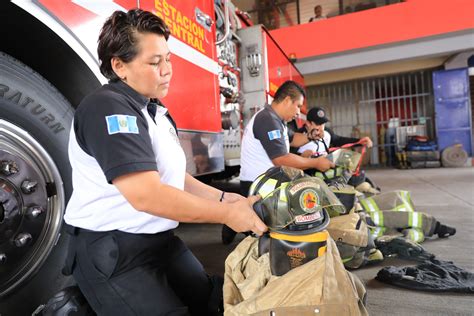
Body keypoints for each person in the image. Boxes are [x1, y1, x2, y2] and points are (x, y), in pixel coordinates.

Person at [63, 9, 266, 316]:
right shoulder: (107, 108)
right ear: (119, 65)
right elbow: (147, 194)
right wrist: (225, 214)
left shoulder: (155, 111)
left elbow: (176, 179)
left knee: (215, 302)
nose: (167, 70)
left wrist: (227, 197)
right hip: (114, 252)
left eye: (168, 59)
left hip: (159, 243)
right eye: (155, 62)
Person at [222, 81, 333, 244]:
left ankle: (230, 225)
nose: (298, 113)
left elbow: (293, 139)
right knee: (260, 236)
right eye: (298, 106)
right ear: (287, 100)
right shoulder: (268, 120)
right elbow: (281, 159)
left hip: (263, 184)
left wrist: (310, 136)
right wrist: (315, 163)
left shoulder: (276, 119)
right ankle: (231, 227)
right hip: (257, 186)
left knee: (259, 228)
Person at [297, 106, 373, 158]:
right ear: (308, 123)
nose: (321, 128)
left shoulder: (326, 132)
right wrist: (301, 156)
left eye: (323, 124)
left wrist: (359, 141)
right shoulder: (297, 137)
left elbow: (339, 140)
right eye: (317, 124)